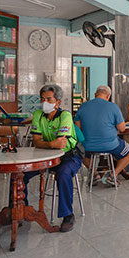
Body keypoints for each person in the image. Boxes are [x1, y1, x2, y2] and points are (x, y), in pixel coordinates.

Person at [25, 84, 82, 232]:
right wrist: (51, 144)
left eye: (49, 99)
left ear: (58, 102)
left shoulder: (65, 116)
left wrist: (47, 144)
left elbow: (61, 144)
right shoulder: (38, 115)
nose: (45, 102)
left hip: (69, 156)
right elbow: (37, 141)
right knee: (21, 173)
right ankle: (20, 209)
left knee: (63, 174)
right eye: (42, 99)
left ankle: (68, 215)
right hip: (46, 157)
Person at [75, 85, 129, 185]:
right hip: (111, 145)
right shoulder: (113, 107)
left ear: (95, 95)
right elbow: (122, 128)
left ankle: (95, 174)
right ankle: (113, 175)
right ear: (108, 96)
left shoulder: (83, 106)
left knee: (79, 151)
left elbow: (78, 128)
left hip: (88, 146)